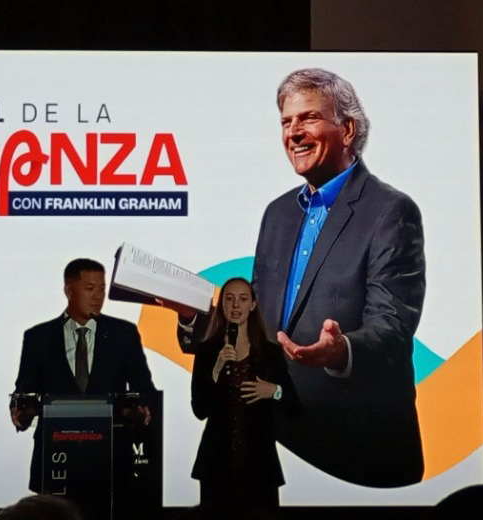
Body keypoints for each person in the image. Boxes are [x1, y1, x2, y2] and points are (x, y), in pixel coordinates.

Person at [179, 68, 425, 487]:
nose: (293, 133)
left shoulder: (391, 211)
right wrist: (193, 317)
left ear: (347, 130)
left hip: (355, 454)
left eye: (308, 118)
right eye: (286, 122)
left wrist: (341, 350)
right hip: (275, 442)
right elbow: (255, 323)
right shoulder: (277, 214)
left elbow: (393, 326)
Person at [11, 258, 157, 492]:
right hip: (55, 461)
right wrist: (21, 411)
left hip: (111, 463)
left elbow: (145, 390)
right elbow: (23, 392)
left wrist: (138, 410)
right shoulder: (38, 337)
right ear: (69, 290)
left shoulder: (124, 334)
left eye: (102, 289)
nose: (98, 296)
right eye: (90, 288)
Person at [191, 278, 296, 515]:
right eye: (229, 299)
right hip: (216, 466)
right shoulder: (207, 351)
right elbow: (199, 409)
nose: (236, 305)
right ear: (222, 305)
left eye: (243, 298)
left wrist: (274, 391)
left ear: (253, 305)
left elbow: (294, 406)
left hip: (260, 466)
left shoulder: (269, 352)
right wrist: (216, 369)